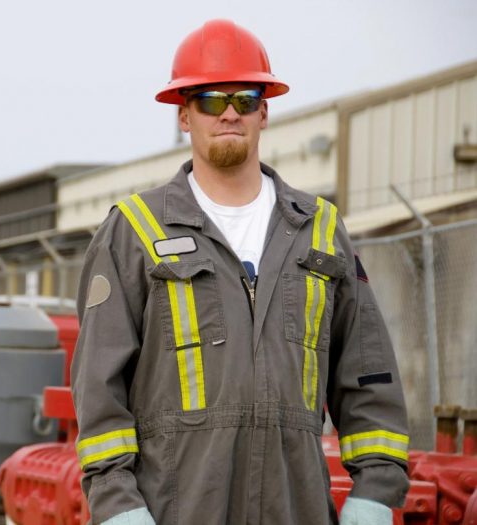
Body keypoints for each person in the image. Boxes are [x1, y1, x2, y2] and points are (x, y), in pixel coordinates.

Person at [70, 19, 409, 525]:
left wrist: (375, 492)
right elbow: (99, 388)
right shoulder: (134, 233)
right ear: (185, 115)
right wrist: (119, 505)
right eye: (211, 99)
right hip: (177, 512)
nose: (229, 113)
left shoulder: (319, 231)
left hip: (297, 510)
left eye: (245, 99)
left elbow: (368, 374)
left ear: (264, 112)